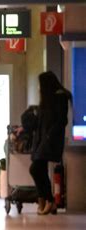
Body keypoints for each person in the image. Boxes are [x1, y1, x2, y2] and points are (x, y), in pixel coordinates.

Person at [30, 71, 71, 215]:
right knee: (38, 169)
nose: (39, 88)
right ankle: (45, 199)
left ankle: (49, 200)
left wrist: (48, 135)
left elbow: (61, 120)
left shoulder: (59, 97)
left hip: (50, 141)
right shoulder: (47, 99)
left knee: (35, 168)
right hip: (42, 140)